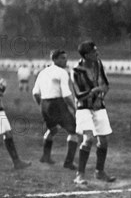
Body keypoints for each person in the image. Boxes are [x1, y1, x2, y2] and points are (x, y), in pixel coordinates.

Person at [71, 41, 115, 185]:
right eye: (94, 52)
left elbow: (106, 85)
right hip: (83, 107)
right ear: (86, 55)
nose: (97, 54)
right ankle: (79, 175)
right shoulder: (76, 71)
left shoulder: (98, 64)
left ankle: (99, 172)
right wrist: (94, 92)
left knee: (103, 141)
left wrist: (100, 98)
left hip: (98, 106)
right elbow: (78, 95)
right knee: (88, 139)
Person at [32, 49, 79, 170]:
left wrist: (42, 106)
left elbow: (35, 93)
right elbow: (66, 95)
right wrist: (74, 108)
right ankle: (68, 162)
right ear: (55, 59)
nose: (65, 60)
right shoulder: (62, 72)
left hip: (44, 104)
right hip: (57, 104)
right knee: (73, 132)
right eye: (63, 58)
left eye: (66, 58)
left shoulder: (43, 72)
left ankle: (45, 156)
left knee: (52, 129)